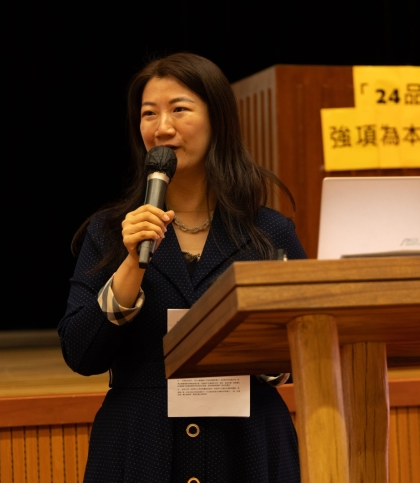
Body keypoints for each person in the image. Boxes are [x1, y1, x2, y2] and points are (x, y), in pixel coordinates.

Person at [59, 52, 305, 483]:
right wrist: (131, 263)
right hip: (139, 446)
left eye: (179, 109)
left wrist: (260, 354)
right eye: (148, 114)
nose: (162, 127)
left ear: (217, 120)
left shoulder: (269, 232)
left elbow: (302, 351)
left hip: (247, 445)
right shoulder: (111, 232)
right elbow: (80, 353)